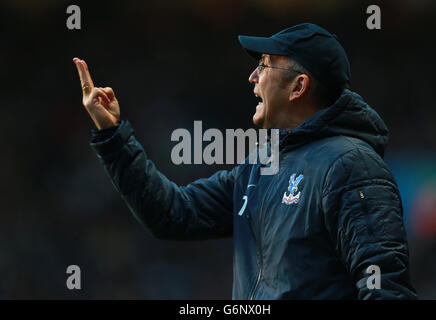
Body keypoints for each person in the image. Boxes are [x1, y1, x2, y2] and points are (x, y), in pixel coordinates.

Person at [73, 23, 417, 299]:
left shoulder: (353, 166)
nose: (253, 77)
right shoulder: (259, 168)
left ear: (298, 86)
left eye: (263, 66)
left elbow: (385, 285)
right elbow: (172, 214)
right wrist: (113, 133)